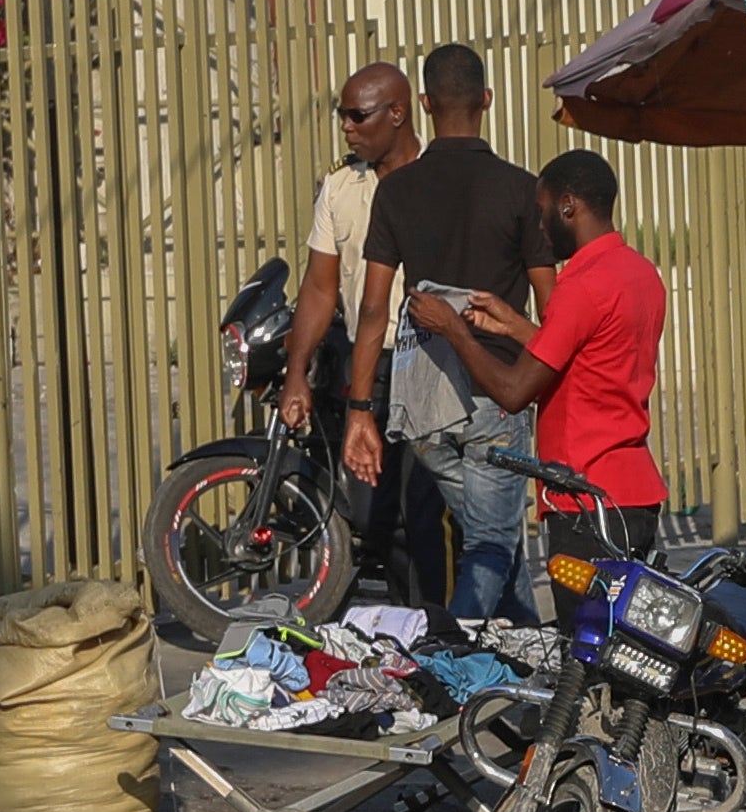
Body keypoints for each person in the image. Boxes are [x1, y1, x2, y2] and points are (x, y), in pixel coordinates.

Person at [341, 44, 552, 623]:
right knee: (489, 545)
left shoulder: (396, 192)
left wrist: (361, 410)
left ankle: (530, 681)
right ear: (487, 100)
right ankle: (443, 660)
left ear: (426, 103)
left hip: (423, 405)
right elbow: (552, 306)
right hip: (496, 395)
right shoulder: (520, 190)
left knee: (495, 539)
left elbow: (372, 309)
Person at [404, 150, 666, 580]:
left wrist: (454, 330)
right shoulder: (640, 273)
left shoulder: (580, 286)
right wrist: (514, 327)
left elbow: (513, 390)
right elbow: (591, 358)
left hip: (583, 497)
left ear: (569, 206)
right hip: (634, 490)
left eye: (543, 212)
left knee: (586, 638)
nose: (540, 226)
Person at [277, 61, 423, 591]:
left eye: (357, 116)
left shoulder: (436, 178)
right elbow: (319, 288)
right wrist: (297, 370)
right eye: (342, 115)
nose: (346, 127)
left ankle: (438, 626)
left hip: (432, 360)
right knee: (370, 511)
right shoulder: (341, 188)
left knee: (428, 514)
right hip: (372, 364)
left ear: (398, 113)